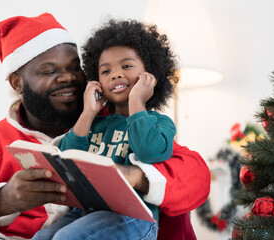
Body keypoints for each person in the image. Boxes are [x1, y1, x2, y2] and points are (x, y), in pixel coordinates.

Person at [0, 13, 210, 240]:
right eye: (49, 71)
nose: (67, 77)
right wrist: (5, 199)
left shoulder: (115, 118)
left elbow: (195, 177)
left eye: (74, 67)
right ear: (18, 83)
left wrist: (135, 176)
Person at [32, 18, 177, 240]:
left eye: (126, 66)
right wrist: (88, 113)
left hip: (134, 218)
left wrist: (137, 100)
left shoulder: (160, 123)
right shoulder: (96, 123)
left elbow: (147, 151)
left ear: (151, 74)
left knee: (66, 238)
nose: (115, 74)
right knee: (41, 238)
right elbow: (66, 157)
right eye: (106, 71)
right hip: (87, 211)